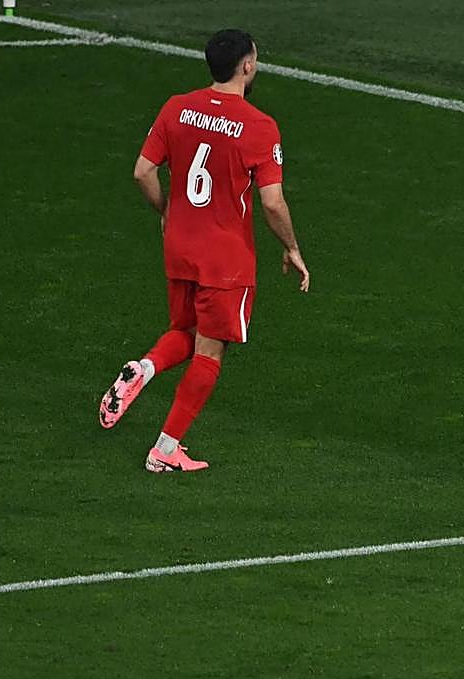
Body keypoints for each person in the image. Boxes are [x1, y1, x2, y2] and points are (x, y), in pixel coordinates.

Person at [98, 28, 310, 472]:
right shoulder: (259, 126)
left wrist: (166, 211)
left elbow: (142, 172)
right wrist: (291, 247)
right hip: (225, 259)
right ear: (247, 66)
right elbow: (272, 202)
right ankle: (165, 449)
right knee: (210, 352)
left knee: (187, 328)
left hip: (179, 247)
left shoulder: (176, 107)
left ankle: (144, 368)